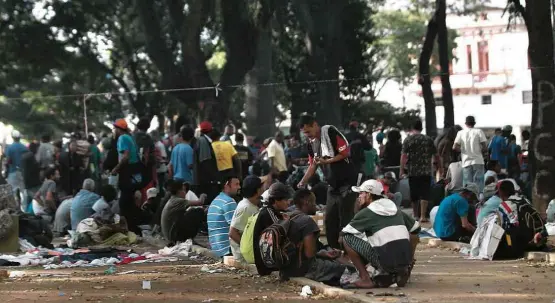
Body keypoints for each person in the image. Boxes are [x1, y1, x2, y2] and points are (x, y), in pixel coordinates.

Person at [341, 180, 420, 289]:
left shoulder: (366, 212)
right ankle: (405, 268)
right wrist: (409, 257)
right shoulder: (395, 209)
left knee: (346, 239)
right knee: (413, 234)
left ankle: (365, 278)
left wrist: (357, 209)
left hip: (384, 261)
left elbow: (343, 235)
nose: (358, 197)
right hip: (404, 260)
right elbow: (416, 229)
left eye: (361, 193)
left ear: (368, 195)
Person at [297, 114, 357, 249]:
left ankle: (350, 252)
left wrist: (327, 161)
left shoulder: (329, 132)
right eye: (304, 133)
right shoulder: (311, 144)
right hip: (332, 185)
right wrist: (302, 181)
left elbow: (345, 153)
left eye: (308, 131)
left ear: (315, 125)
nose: (307, 135)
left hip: (347, 183)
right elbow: (313, 165)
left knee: (345, 219)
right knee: (330, 221)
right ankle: (335, 251)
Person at [280, 188, 347, 284]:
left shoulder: (288, 217)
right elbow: (309, 254)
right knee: (342, 268)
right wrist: (322, 255)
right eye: (314, 202)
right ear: (307, 202)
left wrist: (323, 253)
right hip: (302, 269)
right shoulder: (307, 221)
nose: (316, 206)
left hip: (286, 268)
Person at [400, 120, 441, 222]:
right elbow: (436, 155)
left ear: (412, 128)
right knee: (425, 192)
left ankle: (415, 215)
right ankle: (423, 216)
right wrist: (439, 168)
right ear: (421, 128)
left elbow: (404, 156)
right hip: (426, 170)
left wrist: (401, 170)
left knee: (414, 193)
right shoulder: (428, 139)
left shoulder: (408, 140)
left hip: (412, 171)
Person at [110, 118, 143, 234]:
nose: (113, 131)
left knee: (124, 202)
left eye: (114, 128)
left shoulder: (122, 138)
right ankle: (133, 227)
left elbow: (126, 156)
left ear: (119, 129)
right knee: (129, 201)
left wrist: (116, 168)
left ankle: (129, 228)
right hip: (134, 173)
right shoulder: (130, 137)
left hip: (127, 173)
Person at [253, 183, 292, 276]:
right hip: (267, 266)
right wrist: (286, 222)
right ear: (276, 200)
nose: (288, 202)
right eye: (285, 200)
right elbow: (281, 233)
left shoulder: (271, 211)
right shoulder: (268, 213)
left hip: (267, 262)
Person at [229, 176, 264, 263]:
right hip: (244, 255)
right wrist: (247, 249)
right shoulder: (245, 207)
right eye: (261, 187)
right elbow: (232, 233)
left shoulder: (252, 204)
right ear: (257, 190)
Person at [207, 176, 241, 258]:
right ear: (226, 186)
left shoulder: (216, 200)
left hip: (217, 249)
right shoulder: (229, 202)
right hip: (227, 250)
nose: (239, 187)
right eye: (236, 184)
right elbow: (235, 231)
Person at [453, 116, 487, 193]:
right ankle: (479, 201)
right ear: (474, 123)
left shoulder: (460, 133)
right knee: (479, 186)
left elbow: (454, 147)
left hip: (466, 162)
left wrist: (463, 151)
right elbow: (485, 147)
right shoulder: (479, 131)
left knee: (467, 186)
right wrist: (480, 152)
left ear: (465, 124)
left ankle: (469, 202)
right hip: (478, 161)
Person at [194, 121, 221, 204]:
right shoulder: (203, 141)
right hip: (204, 180)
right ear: (210, 130)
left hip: (203, 178)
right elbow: (205, 161)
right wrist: (214, 177)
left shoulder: (203, 140)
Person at [5, 130, 28, 202]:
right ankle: (25, 208)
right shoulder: (24, 147)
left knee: (13, 191)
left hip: (13, 171)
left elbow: (8, 161)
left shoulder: (10, 148)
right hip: (23, 171)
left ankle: (15, 208)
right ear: (20, 138)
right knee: (24, 190)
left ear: (12, 137)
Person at [20, 142, 42, 213]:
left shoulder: (25, 156)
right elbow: (34, 168)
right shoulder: (31, 156)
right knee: (36, 199)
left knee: (28, 201)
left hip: (27, 183)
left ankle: (27, 213)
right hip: (33, 183)